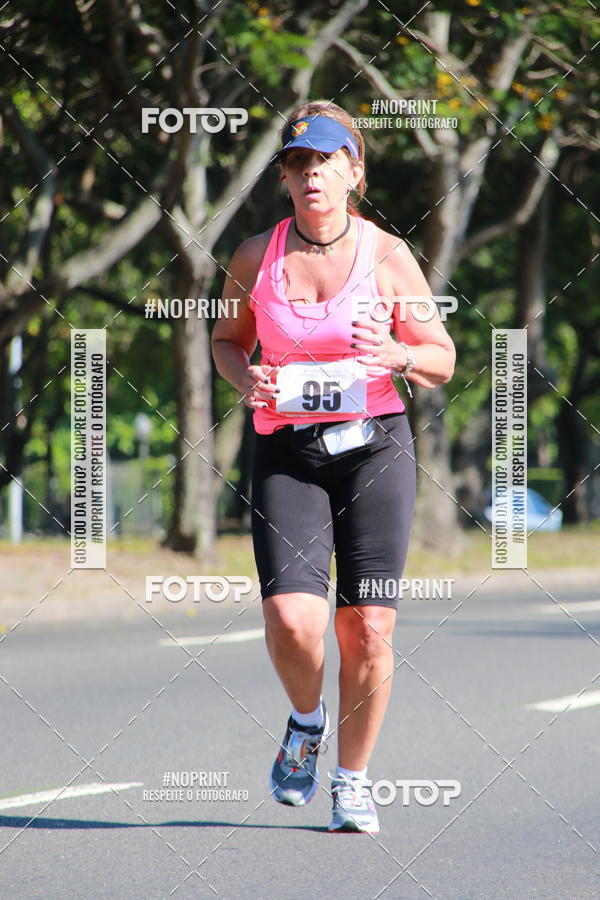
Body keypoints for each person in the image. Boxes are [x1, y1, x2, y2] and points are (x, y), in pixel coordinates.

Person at [211, 100, 455, 833]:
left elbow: (441, 357)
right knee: (293, 620)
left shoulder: (387, 257)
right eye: (297, 163)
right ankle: (305, 722)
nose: (310, 174)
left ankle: (353, 780)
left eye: (324, 161)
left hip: (374, 449)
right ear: (285, 179)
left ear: (354, 171)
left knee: (368, 628)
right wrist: (242, 376)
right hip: (288, 450)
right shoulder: (256, 254)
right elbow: (226, 339)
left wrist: (398, 355)